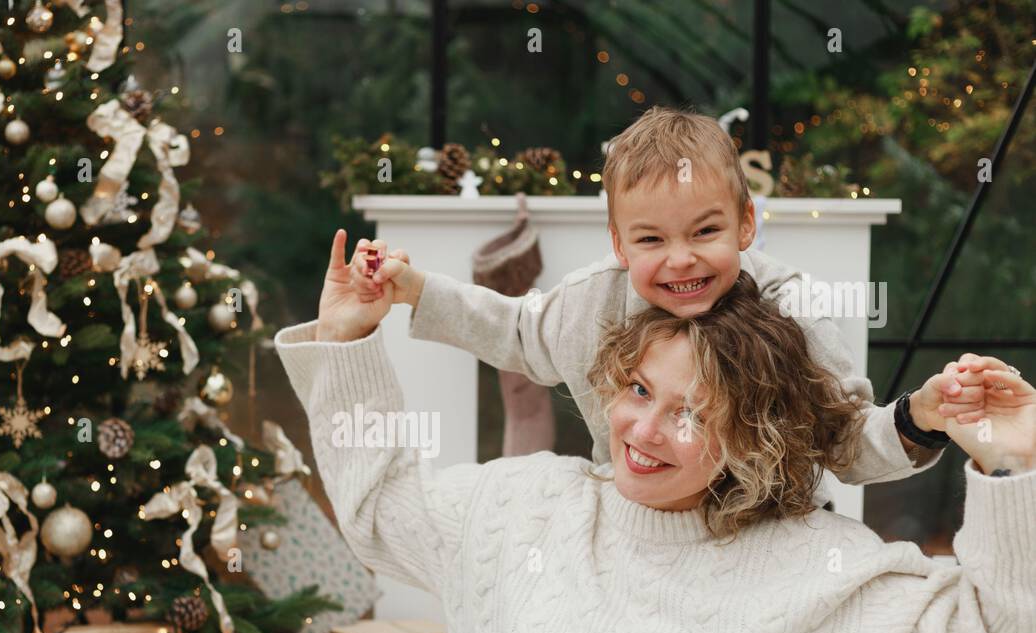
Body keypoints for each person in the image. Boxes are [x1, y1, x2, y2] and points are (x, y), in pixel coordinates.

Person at [226, 231, 1036, 633]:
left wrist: (1012, 468)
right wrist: (345, 341)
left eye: (691, 414)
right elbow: (381, 517)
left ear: (752, 441)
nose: (644, 431)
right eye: (640, 391)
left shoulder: (822, 569)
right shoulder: (529, 505)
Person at [350, 106, 959, 496]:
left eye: (704, 232)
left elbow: (844, 441)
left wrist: (917, 420)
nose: (680, 258)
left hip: (766, 537)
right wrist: (414, 289)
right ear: (618, 242)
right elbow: (513, 331)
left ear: (746, 225)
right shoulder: (593, 301)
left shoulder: (792, 309)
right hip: (633, 526)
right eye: (650, 239)